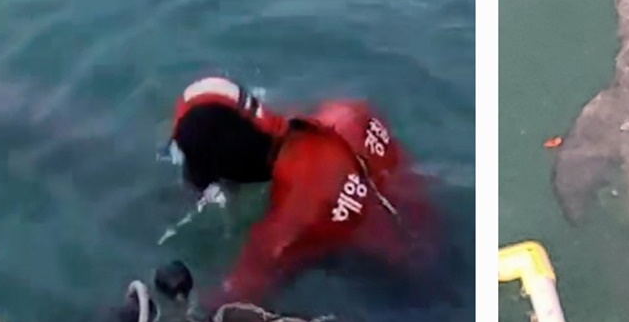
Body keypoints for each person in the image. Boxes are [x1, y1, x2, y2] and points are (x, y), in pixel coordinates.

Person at [165, 76, 437, 304]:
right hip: (439, 236)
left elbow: (228, 305)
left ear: (228, 165)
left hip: (411, 299)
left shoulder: (285, 228)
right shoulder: (347, 112)